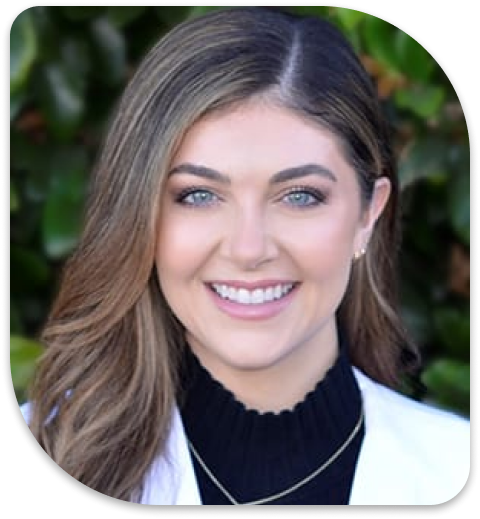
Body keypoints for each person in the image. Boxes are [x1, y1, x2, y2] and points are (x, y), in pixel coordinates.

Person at [20, 6, 469, 505]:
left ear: (369, 214)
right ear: (138, 215)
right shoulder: (50, 445)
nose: (248, 249)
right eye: (198, 195)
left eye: (300, 195)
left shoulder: (453, 465)